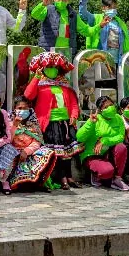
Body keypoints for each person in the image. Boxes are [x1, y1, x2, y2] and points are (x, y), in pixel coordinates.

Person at [23, 52, 85, 190]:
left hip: (66, 124)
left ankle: (69, 177)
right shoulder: (40, 84)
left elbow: (74, 103)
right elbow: (28, 95)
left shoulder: (64, 85)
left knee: (67, 153)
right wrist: (36, 77)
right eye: (49, 66)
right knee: (57, 153)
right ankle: (62, 178)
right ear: (43, 68)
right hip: (49, 123)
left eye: (55, 67)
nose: (52, 69)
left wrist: (74, 116)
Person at [76, 96, 129, 191]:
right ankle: (96, 174)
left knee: (121, 147)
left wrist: (104, 140)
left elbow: (120, 137)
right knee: (107, 171)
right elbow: (79, 137)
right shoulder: (96, 119)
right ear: (100, 110)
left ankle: (117, 179)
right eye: (105, 107)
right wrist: (90, 123)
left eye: (111, 105)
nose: (110, 108)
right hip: (92, 154)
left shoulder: (118, 118)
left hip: (108, 153)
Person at [6, 97, 56, 191]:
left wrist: (27, 151)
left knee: (47, 152)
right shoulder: (8, 122)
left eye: (25, 108)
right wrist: (15, 126)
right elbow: (7, 140)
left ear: (29, 110)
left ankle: (38, 182)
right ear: (14, 109)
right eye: (19, 108)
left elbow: (37, 142)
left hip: (29, 153)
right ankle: (15, 183)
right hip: (13, 153)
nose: (22, 111)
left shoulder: (33, 124)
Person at [29, 0, 94, 52]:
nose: (61, 1)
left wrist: (100, 26)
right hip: (48, 52)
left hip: (66, 53)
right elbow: (34, 14)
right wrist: (42, 4)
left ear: (68, 0)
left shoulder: (73, 15)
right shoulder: (48, 9)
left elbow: (87, 31)